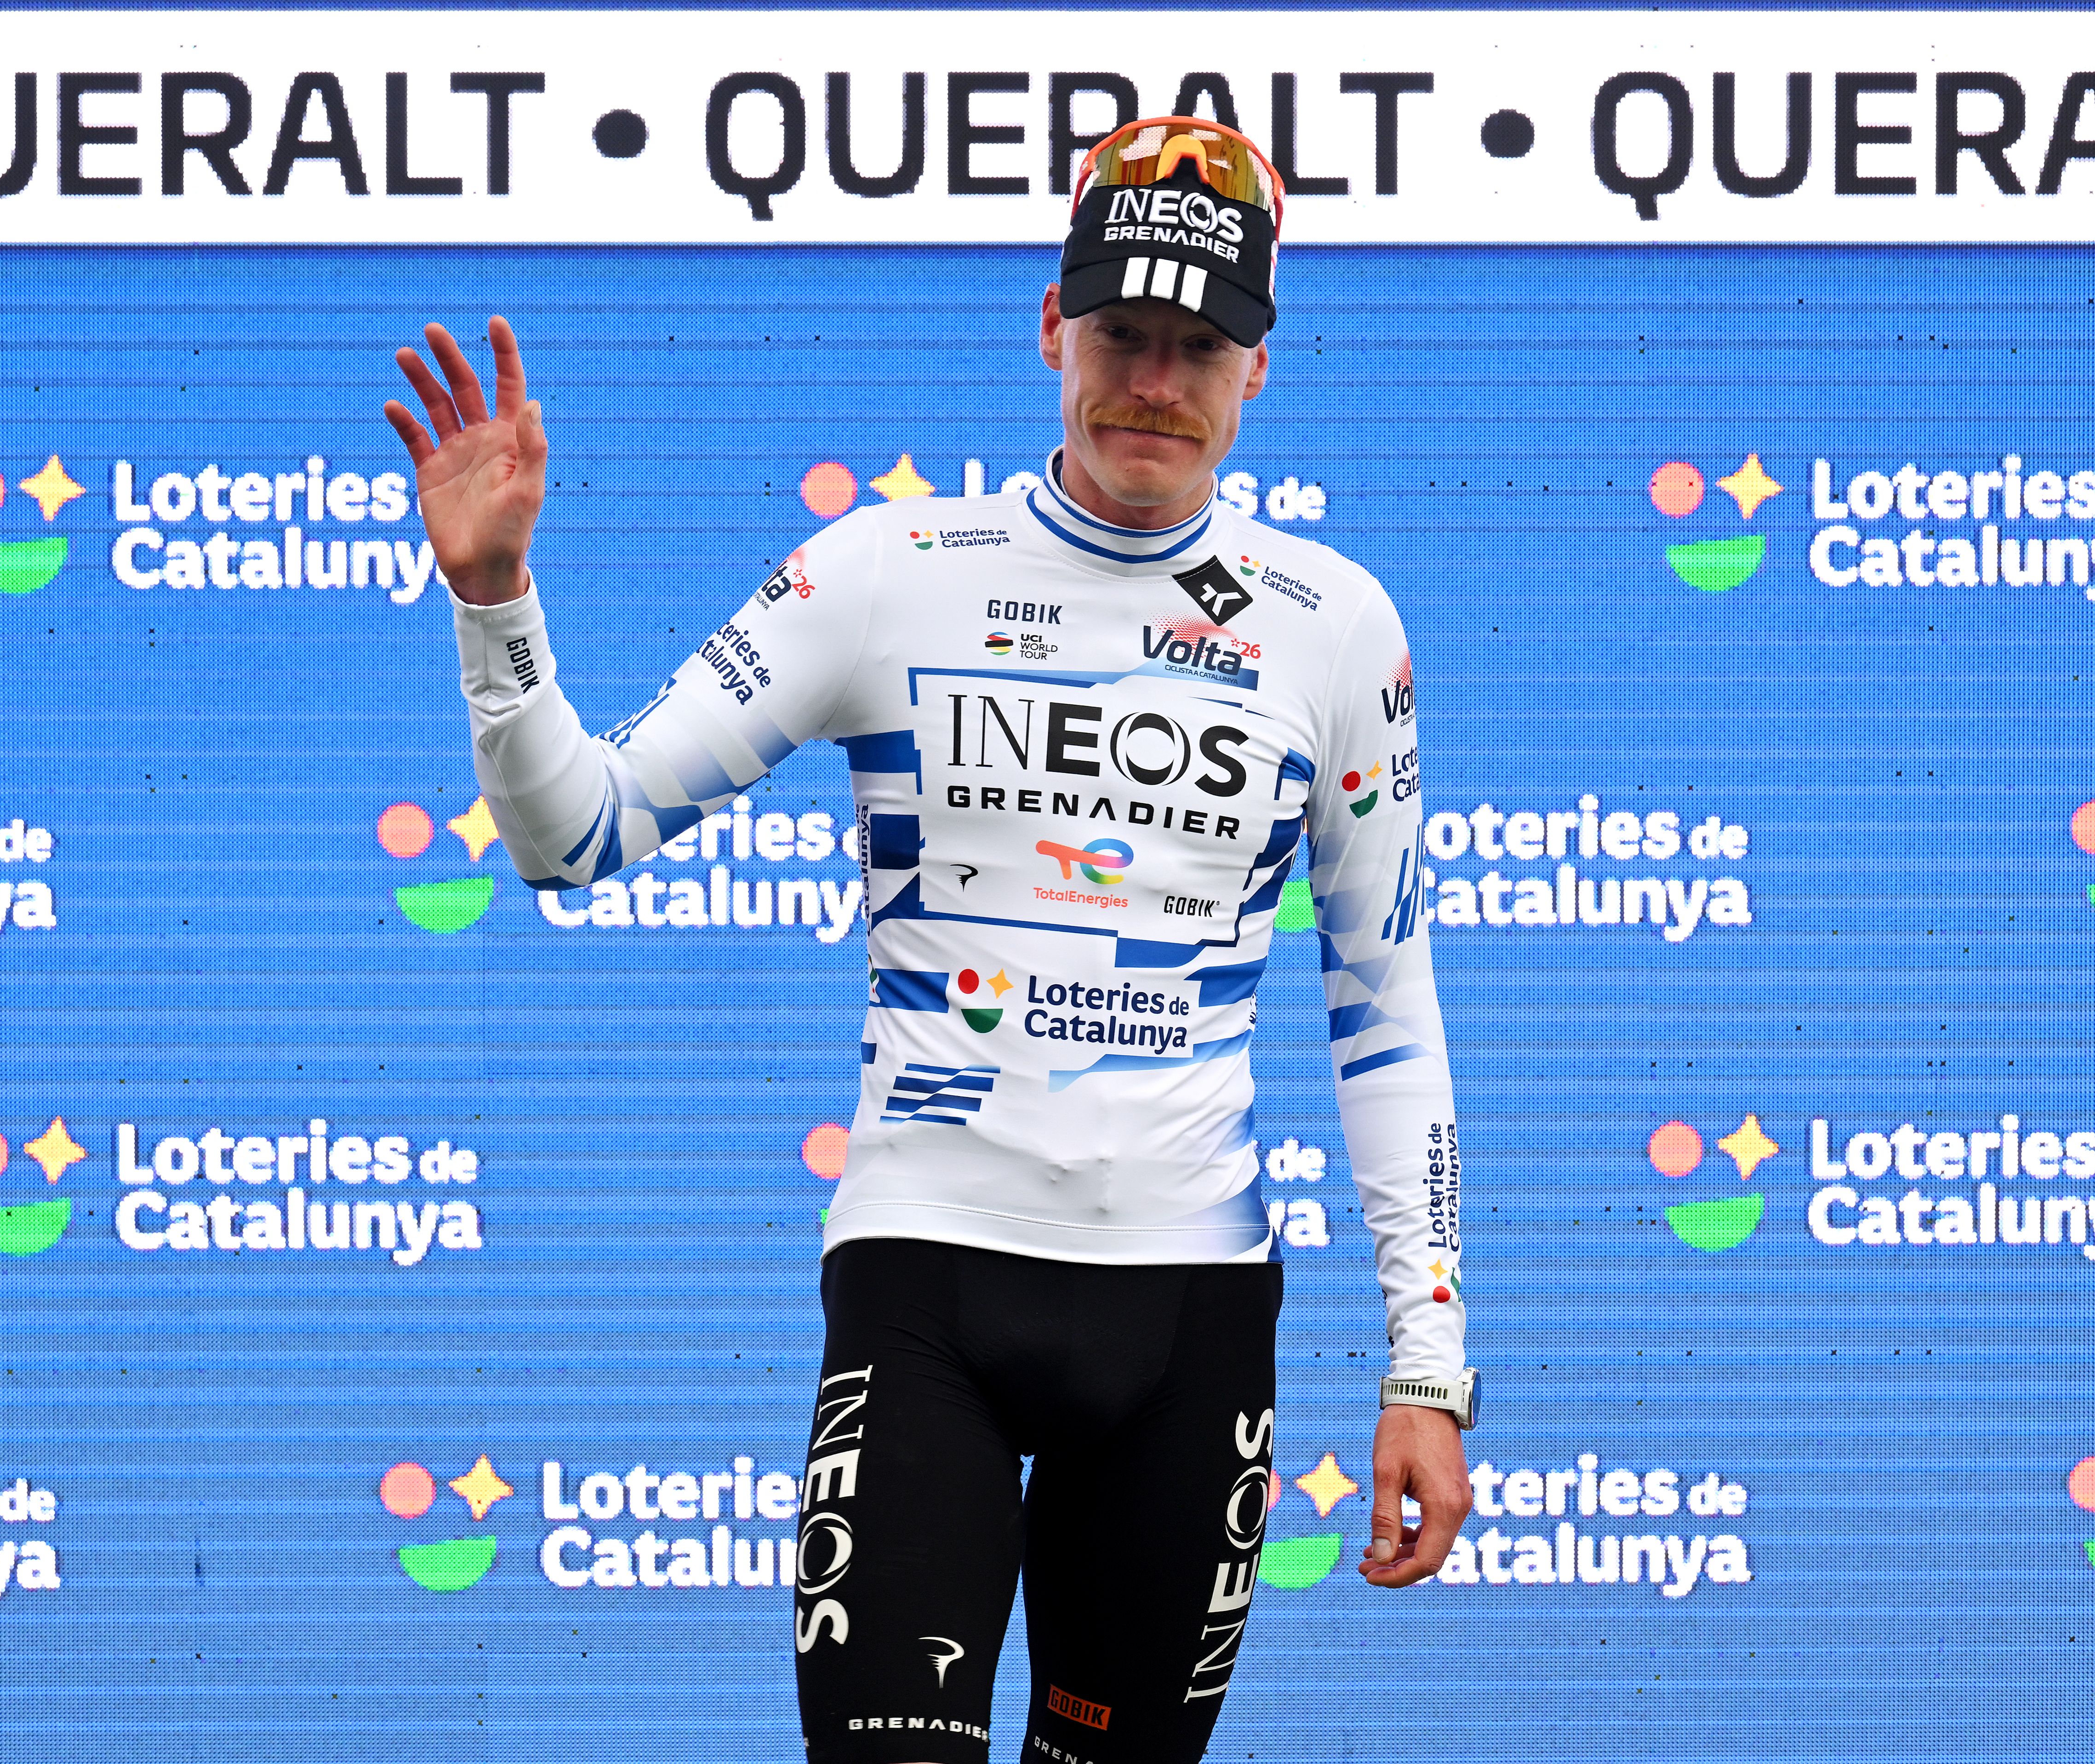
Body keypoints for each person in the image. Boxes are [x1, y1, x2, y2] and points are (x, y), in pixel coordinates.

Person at [383, 117, 1472, 1764]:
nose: (1152, 386)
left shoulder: (1337, 627)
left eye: (1197, 348)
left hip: (1193, 1321)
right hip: (926, 1294)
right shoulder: (887, 575)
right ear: (1052, 326)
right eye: (1121, 337)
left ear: (1260, 368)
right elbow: (574, 835)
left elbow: (1386, 1010)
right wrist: (496, 605)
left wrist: (1429, 1366)